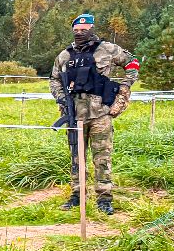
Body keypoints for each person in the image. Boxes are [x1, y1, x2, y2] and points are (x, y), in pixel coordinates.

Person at [50, 14, 140, 216]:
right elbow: (54, 79)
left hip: (100, 114)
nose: (80, 33)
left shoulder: (107, 49)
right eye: (76, 30)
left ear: (91, 29)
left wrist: (124, 89)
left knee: (102, 158)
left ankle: (104, 198)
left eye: (84, 29)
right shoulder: (65, 55)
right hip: (74, 114)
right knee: (76, 157)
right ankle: (77, 195)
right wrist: (62, 98)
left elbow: (132, 64)